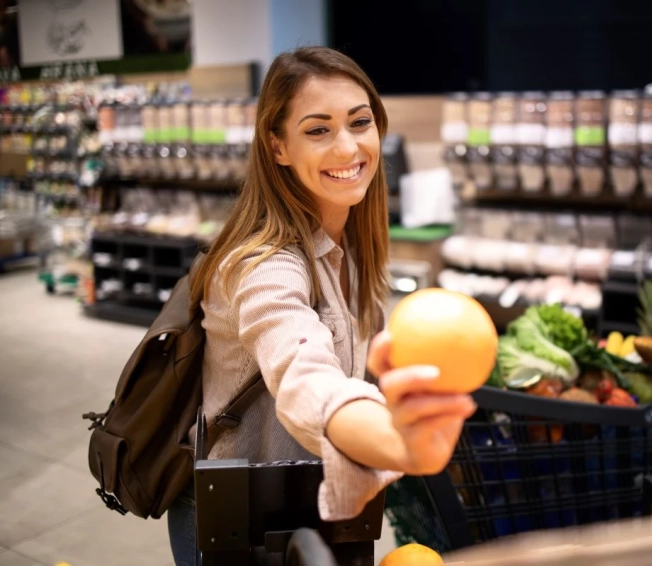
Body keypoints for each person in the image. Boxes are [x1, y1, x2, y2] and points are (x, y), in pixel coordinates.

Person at [166, 46, 477, 565]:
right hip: (237, 524)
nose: (348, 146)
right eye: (317, 130)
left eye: (360, 122)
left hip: (305, 507)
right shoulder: (264, 264)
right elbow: (305, 376)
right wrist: (396, 442)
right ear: (278, 147)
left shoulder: (350, 244)